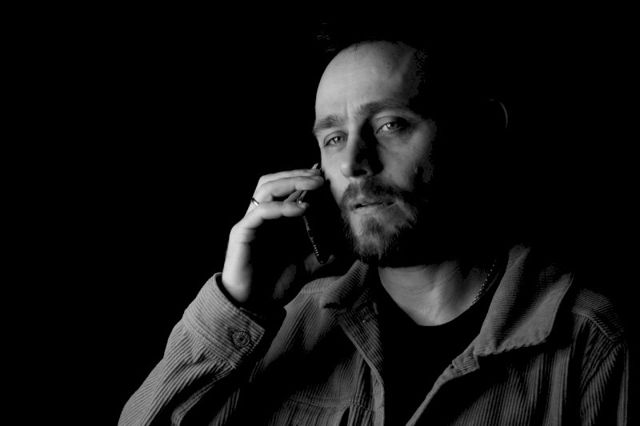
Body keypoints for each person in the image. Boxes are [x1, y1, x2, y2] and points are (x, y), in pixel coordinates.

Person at [119, 23, 629, 425]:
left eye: (390, 125)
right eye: (334, 138)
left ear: (478, 131)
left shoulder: (593, 345)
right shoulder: (287, 325)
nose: (354, 164)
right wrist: (238, 306)